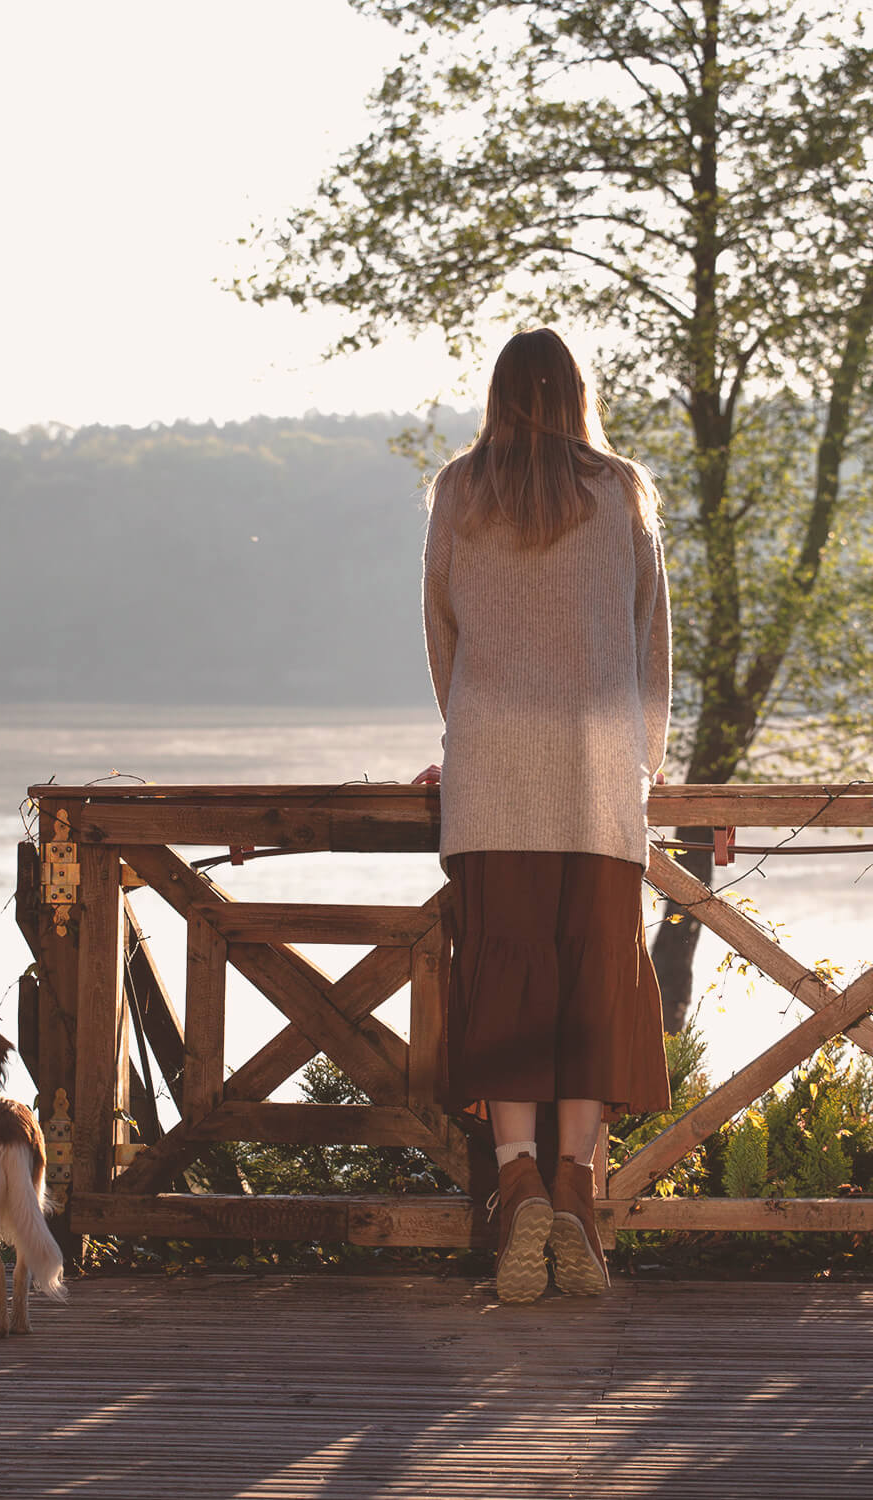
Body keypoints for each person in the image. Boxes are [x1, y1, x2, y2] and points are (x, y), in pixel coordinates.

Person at [413, 328, 672, 1302]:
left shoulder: (458, 491)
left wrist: (470, 731)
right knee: (595, 980)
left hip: (491, 778)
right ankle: (576, 1194)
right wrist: (640, 768)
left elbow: (441, 634)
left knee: (507, 973)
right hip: (599, 783)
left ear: (495, 396)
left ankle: (515, 1175)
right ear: (574, 395)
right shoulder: (618, 493)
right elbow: (651, 644)